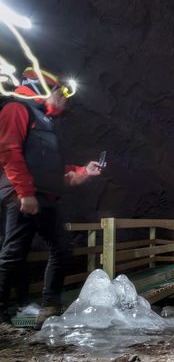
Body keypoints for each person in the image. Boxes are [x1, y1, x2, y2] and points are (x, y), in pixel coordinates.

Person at [0, 67, 103, 327]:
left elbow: (53, 170)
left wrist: (84, 172)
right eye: (60, 91)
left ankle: (49, 308)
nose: (64, 97)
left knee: (60, 247)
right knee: (13, 253)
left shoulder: (45, 122)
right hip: (21, 194)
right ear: (42, 88)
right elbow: (9, 151)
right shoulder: (17, 109)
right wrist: (24, 193)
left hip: (42, 196)